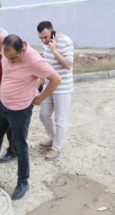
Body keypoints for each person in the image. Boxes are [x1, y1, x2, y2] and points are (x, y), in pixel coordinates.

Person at [0, 35, 61, 200]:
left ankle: (23, 182)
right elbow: (7, 75)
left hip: (20, 109)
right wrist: (2, 92)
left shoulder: (34, 60)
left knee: (19, 146)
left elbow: (56, 79)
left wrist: (40, 98)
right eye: (7, 58)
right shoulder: (6, 54)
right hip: (4, 104)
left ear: (22, 51)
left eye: (13, 58)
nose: (10, 61)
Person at [37, 21, 74, 160]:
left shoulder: (65, 41)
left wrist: (54, 50)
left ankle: (57, 148)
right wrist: (41, 81)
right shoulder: (46, 45)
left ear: (52, 32)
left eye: (45, 37)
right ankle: (53, 139)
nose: (44, 40)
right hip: (48, 85)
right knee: (43, 114)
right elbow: (46, 65)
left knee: (60, 119)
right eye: (40, 38)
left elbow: (68, 65)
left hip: (63, 88)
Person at [0, 28, 16, 163]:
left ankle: (13, 151)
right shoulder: (3, 53)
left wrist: (3, 92)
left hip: (10, 97)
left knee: (11, 125)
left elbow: (12, 77)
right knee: (4, 125)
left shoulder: (11, 54)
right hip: (3, 95)